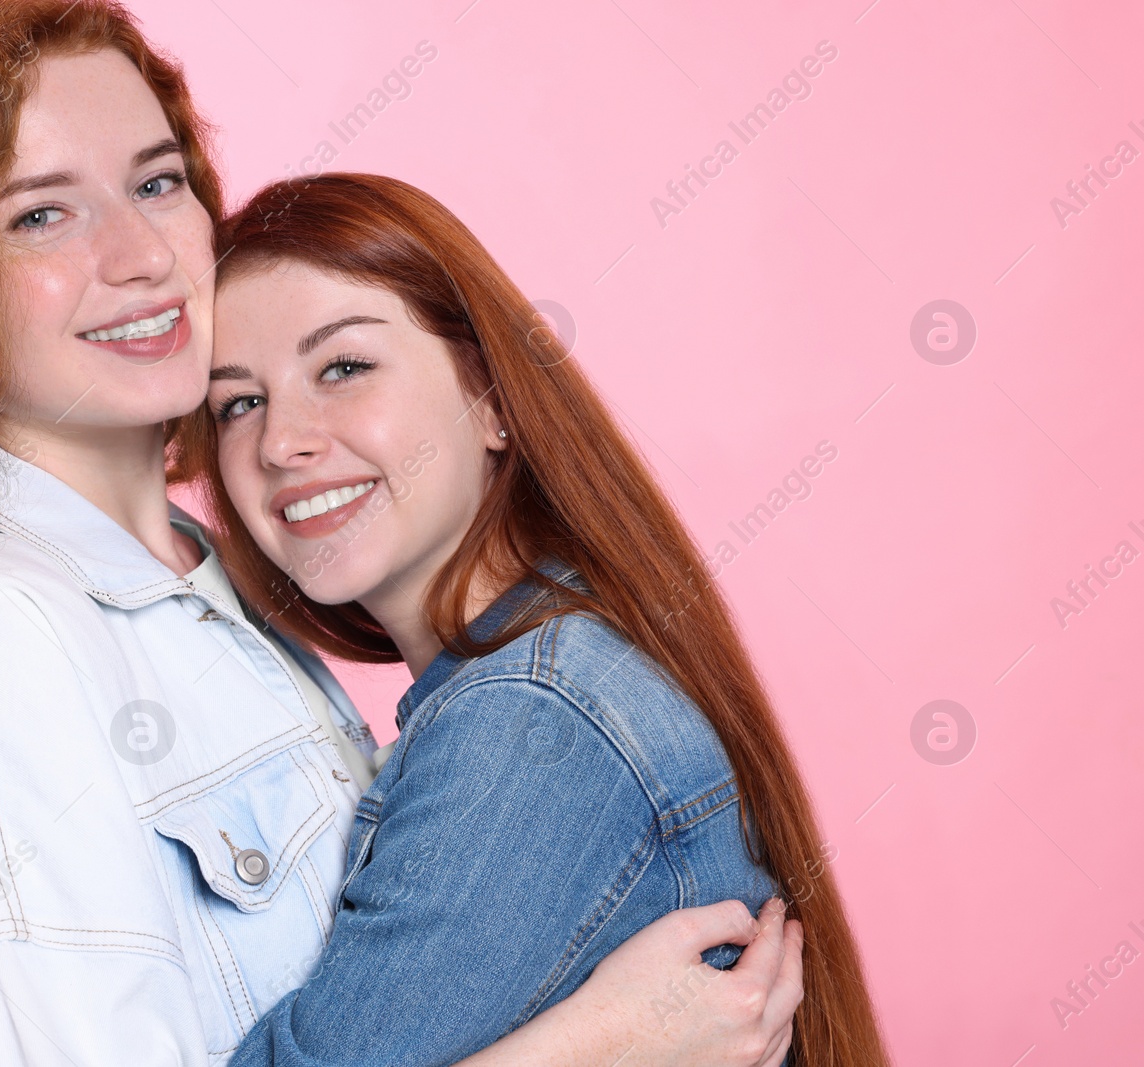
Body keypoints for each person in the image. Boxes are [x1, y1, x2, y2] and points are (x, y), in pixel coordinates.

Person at [0, 2, 803, 1064]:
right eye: (40, 215)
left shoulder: (240, 619)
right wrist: (598, 1044)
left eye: (157, 183)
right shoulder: (4, 639)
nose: (141, 253)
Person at [168, 172, 891, 1066]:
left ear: (494, 402)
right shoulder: (523, 685)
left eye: (343, 367)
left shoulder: (531, 718)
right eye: (239, 402)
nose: (281, 441)